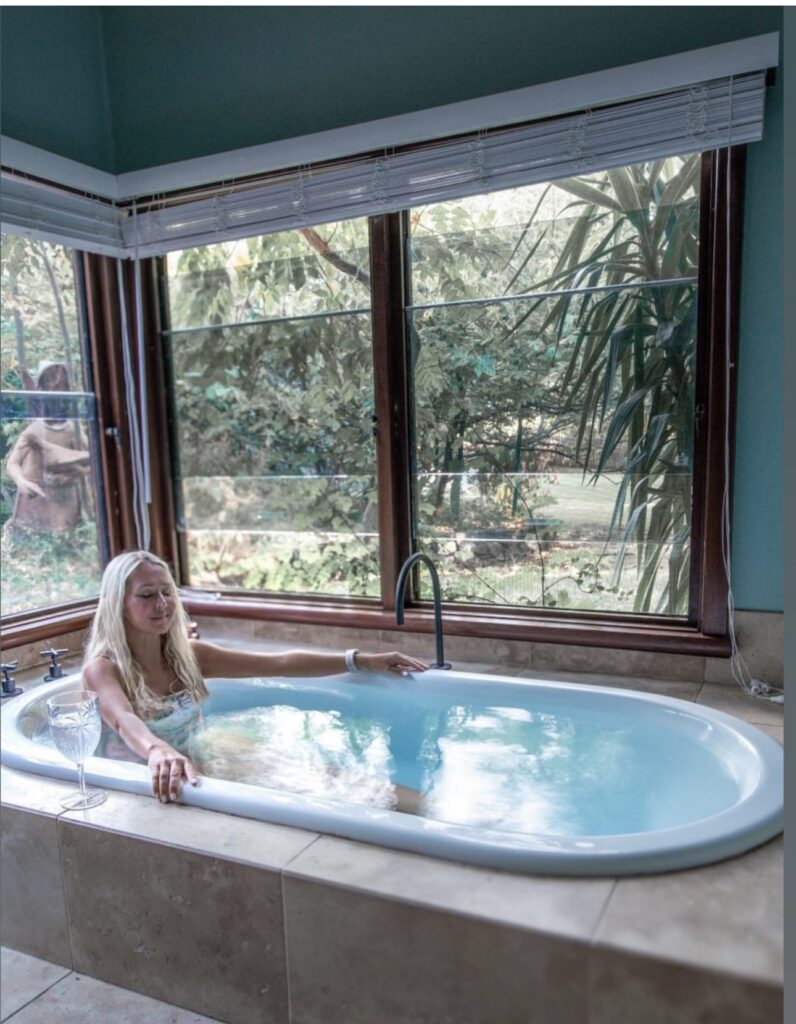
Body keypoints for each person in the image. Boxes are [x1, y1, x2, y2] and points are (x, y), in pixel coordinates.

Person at [83, 550, 428, 807]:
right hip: (144, 787)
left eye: (167, 592)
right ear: (119, 603)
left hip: (198, 768)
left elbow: (279, 663)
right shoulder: (103, 668)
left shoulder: (187, 656)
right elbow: (124, 719)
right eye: (147, 595)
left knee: (339, 779)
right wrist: (158, 751)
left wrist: (361, 660)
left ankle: (423, 811)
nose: (162, 604)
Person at [5, 361, 92, 535]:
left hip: (63, 503)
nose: (56, 403)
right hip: (35, 503)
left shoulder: (73, 429)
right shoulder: (34, 431)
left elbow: (91, 459)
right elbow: (12, 463)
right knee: (33, 538)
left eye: (61, 394)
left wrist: (75, 475)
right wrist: (22, 481)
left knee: (63, 538)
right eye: (50, 394)